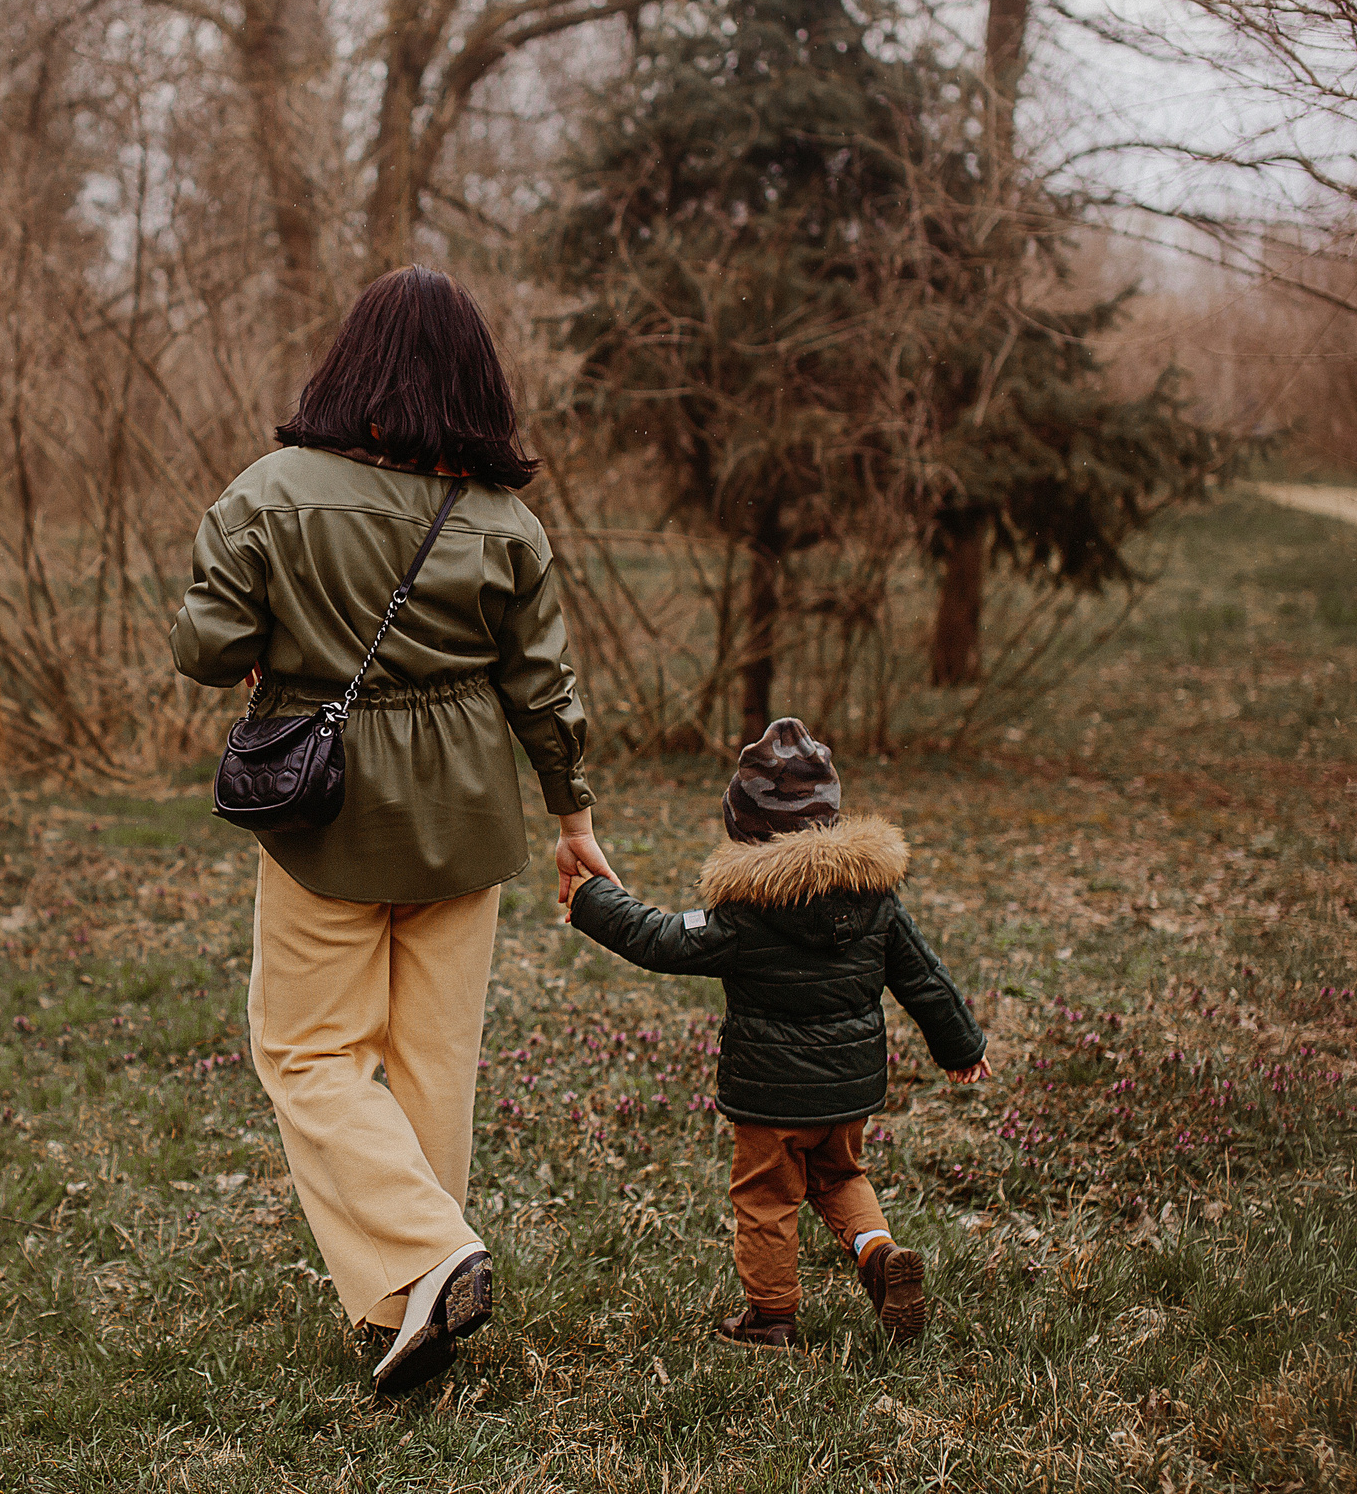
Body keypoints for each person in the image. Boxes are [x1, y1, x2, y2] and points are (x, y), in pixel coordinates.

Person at [169, 267, 618, 1397]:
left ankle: (421, 1261)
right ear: (475, 379)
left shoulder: (269, 491)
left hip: (326, 810)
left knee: (306, 1049)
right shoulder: (505, 522)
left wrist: (285, 631)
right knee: (432, 1064)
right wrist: (574, 818)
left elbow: (204, 646)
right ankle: (406, 1308)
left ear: (348, 366)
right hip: (467, 811)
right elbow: (545, 690)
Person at [564, 717, 990, 1349]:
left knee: (767, 1197)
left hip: (770, 1097)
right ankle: (878, 1254)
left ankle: (770, 1318)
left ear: (745, 829)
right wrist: (962, 1047)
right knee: (842, 1177)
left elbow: (661, 940)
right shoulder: (875, 900)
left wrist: (592, 900)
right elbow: (924, 977)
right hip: (850, 1089)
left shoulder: (745, 913)